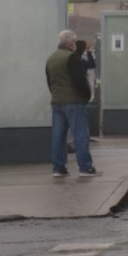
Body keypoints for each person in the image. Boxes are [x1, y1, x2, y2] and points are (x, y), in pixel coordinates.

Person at [45, 29, 99, 177]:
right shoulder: (71, 58)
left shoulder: (51, 58)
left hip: (57, 102)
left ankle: (58, 168)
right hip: (74, 102)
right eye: (74, 42)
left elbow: (50, 82)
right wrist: (86, 96)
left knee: (58, 135)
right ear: (70, 43)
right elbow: (79, 80)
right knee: (80, 134)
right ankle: (85, 167)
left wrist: (56, 95)